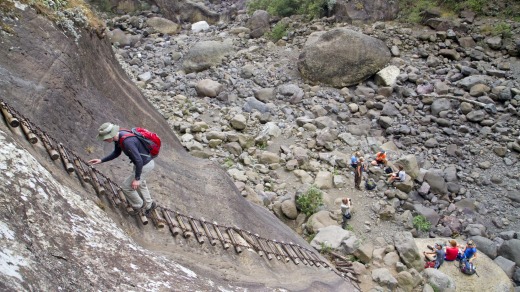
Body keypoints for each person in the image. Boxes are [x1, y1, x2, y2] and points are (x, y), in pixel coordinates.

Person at [88, 122, 156, 216]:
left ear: (110, 135)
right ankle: (150, 205)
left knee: (127, 187)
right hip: (143, 163)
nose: (104, 140)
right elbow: (116, 153)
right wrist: (101, 160)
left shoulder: (127, 142)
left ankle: (137, 205)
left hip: (144, 165)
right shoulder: (119, 137)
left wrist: (137, 179)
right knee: (141, 184)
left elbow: (139, 160)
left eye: (105, 138)